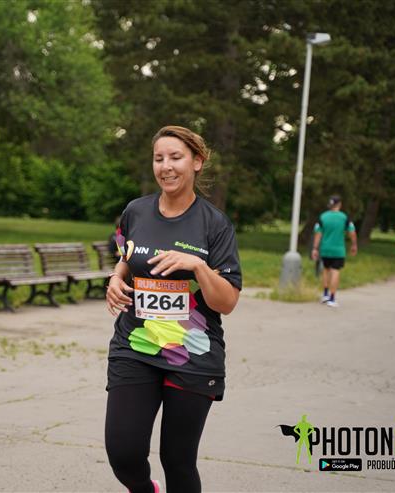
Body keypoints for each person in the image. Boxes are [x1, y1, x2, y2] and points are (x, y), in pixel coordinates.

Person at [104, 126, 241, 493]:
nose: (165, 166)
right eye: (159, 158)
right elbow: (128, 255)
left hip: (193, 354)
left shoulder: (215, 224)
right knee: (123, 453)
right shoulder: (136, 211)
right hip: (135, 344)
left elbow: (227, 301)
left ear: (197, 162)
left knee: (178, 460)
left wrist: (198, 266)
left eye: (175, 157)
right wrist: (116, 277)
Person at [311, 195, 358, 307]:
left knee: (326, 270)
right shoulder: (344, 217)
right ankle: (332, 298)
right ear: (339, 204)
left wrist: (315, 248)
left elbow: (318, 233)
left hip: (325, 249)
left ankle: (325, 294)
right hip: (338, 250)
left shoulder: (323, 217)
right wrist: (354, 244)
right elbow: (352, 232)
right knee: (335, 271)